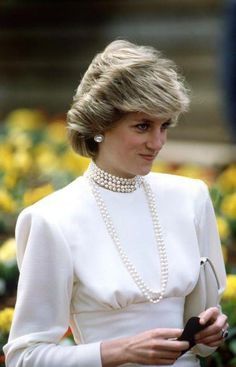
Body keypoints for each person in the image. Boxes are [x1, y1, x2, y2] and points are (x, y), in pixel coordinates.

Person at [4, 40, 228, 367]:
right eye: (142, 126)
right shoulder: (52, 219)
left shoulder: (191, 198)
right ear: (99, 125)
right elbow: (24, 357)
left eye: (164, 125)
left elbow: (203, 341)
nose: (158, 142)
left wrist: (211, 334)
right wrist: (119, 351)